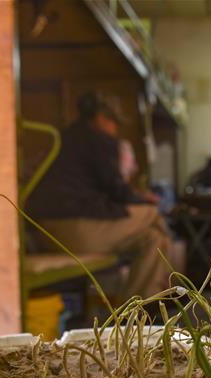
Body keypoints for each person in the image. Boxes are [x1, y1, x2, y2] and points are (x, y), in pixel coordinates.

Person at [27, 91, 172, 302]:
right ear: (102, 118)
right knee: (152, 213)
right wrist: (144, 199)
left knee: (153, 239)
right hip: (74, 232)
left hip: (45, 232)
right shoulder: (98, 140)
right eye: (114, 123)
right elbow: (116, 189)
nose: (115, 130)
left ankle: (138, 311)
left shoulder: (64, 137)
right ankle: (166, 289)